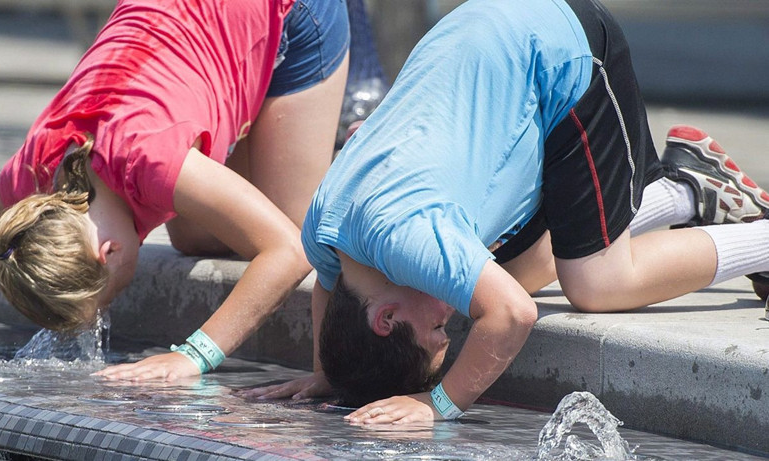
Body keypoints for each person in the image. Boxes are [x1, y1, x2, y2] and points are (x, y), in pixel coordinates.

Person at [239, 0, 769, 423]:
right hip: (484, 28)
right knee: (514, 275)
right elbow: (328, 290)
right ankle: (690, 190)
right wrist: (329, 374)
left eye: (437, 337)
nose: (451, 326)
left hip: (567, 50)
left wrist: (439, 404)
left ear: (387, 317)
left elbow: (513, 316)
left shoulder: (409, 236)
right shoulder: (328, 226)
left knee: (597, 283)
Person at [0, 0, 349, 381]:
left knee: (301, 229)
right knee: (199, 238)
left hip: (290, 14)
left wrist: (195, 355)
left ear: (109, 252)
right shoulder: (38, 173)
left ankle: (353, 139)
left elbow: (288, 251)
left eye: (103, 303)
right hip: (188, 29)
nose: (103, 314)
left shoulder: (151, 159)